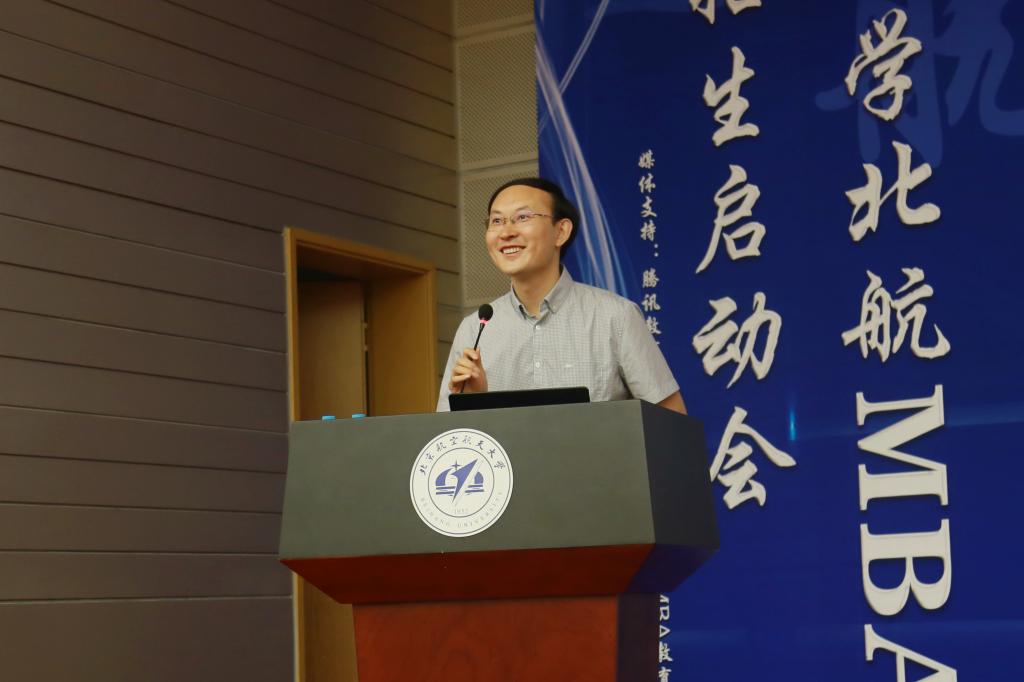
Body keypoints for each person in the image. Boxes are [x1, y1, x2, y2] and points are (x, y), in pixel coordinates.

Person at [436, 178, 686, 414]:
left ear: (561, 231)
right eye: (497, 221)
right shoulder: (474, 329)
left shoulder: (615, 317)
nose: (506, 232)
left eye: (522, 217)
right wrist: (473, 403)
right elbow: (448, 435)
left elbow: (671, 423)